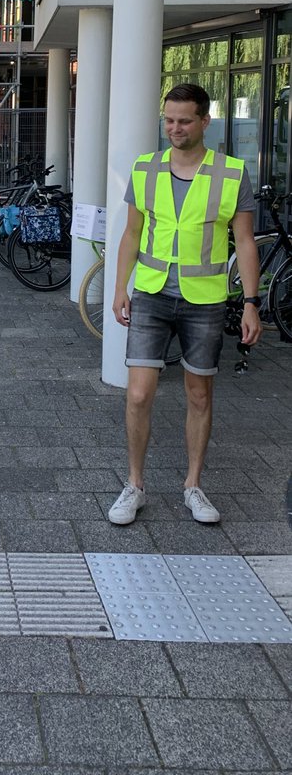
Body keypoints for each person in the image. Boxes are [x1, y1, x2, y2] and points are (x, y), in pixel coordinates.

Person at [108, 83, 261, 527]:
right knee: (138, 394)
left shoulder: (231, 173)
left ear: (205, 122)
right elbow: (133, 234)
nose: (174, 129)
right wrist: (121, 287)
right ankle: (134, 485)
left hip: (206, 299)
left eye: (184, 121)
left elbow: (245, 241)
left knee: (199, 394)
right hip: (152, 294)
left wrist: (251, 303)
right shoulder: (146, 168)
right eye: (168, 120)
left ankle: (193, 485)